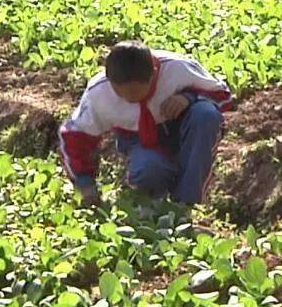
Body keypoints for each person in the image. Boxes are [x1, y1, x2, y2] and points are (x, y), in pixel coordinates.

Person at [59, 41, 233, 207]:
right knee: (148, 169)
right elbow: (75, 136)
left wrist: (188, 98)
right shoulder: (98, 93)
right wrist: (85, 184)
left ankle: (186, 202)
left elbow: (223, 96)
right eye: (122, 93)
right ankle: (154, 202)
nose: (131, 98)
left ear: (153, 74)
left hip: (184, 129)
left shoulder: (179, 68)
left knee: (206, 114)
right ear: (110, 81)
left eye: (136, 91)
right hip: (138, 139)